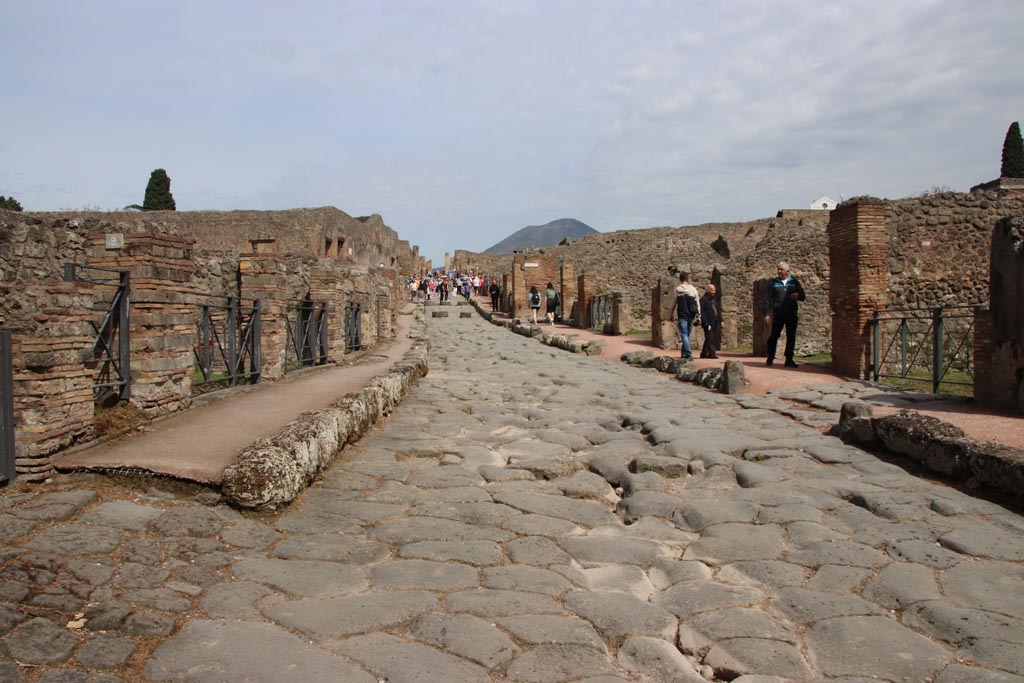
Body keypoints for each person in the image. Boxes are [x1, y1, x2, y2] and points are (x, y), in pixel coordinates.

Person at [763, 261, 805, 367]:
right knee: (773, 336)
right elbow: (767, 299)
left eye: (781, 269)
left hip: (791, 314)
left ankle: (789, 359)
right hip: (778, 315)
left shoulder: (794, 281)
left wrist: (798, 295)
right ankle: (770, 356)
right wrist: (766, 313)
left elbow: (803, 295)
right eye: (778, 269)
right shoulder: (773, 282)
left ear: (787, 271)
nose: (779, 271)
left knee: (791, 337)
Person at [675, 272, 700, 360]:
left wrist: (671, 314)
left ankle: (688, 353)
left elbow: (674, 303)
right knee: (686, 335)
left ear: (680, 279)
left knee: (684, 335)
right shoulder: (693, 290)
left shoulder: (678, 289)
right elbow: (697, 304)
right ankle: (684, 353)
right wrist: (698, 316)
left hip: (682, 314)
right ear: (688, 279)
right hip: (691, 314)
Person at [699, 283, 724, 359]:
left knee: (709, 338)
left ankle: (703, 353)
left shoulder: (713, 300)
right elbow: (702, 312)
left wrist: (721, 321)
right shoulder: (703, 300)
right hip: (708, 322)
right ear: (708, 290)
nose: (714, 292)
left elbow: (718, 311)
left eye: (714, 290)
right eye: (712, 290)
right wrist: (706, 323)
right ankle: (712, 353)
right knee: (710, 338)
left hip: (715, 322)